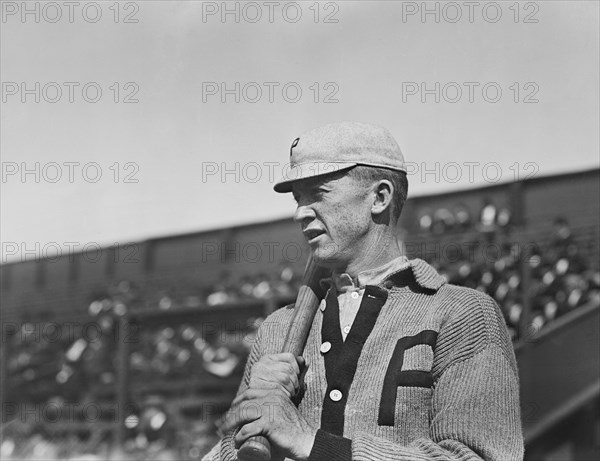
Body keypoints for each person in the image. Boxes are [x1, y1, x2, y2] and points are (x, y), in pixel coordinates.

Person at [202, 121, 524, 461]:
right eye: (298, 199)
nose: (300, 212)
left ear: (379, 197)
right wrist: (245, 427)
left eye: (318, 194)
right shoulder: (277, 329)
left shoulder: (462, 313)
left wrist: (309, 441)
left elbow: (477, 457)